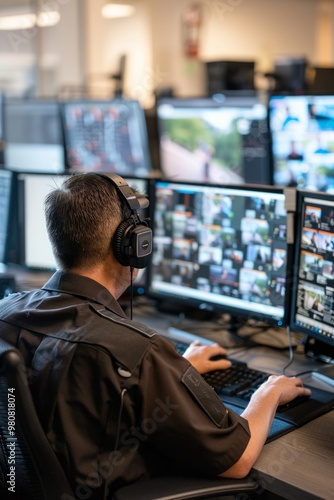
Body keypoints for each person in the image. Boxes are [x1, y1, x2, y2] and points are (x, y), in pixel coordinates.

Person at [0, 173, 310, 499]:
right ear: (132, 246)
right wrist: (267, 393)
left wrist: (174, 370)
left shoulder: (6, 312)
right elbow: (238, 459)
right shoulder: (136, 351)